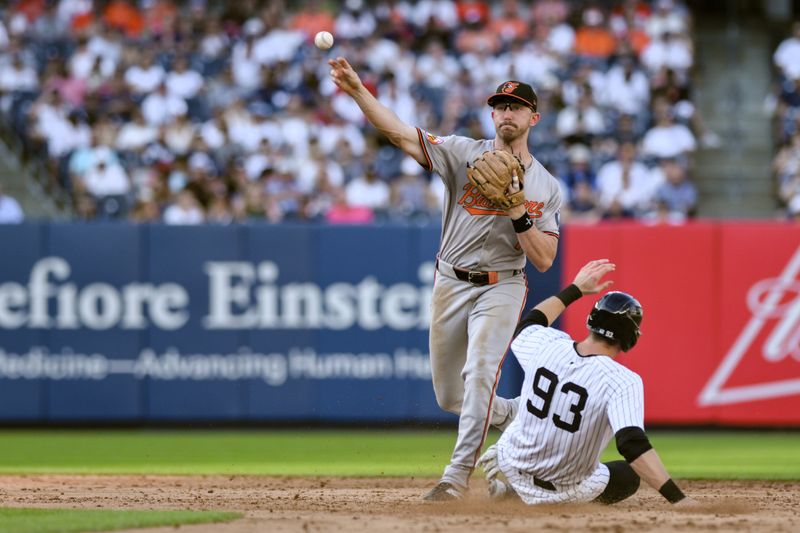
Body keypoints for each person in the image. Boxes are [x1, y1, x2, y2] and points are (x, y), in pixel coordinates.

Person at [328, 57, 562, 501]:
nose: (507, 113)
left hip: (502, 283)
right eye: (500, 106)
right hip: (450, 281)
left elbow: (546, 259)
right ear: (492, 114)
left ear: (534, 117)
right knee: (449, 396)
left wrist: (516, 211)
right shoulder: (461, 152)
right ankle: (517, 415)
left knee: (479, 375)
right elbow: (399, 133)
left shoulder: (546, 186)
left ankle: (454, 479)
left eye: (516, 107)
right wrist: (358, 91)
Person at [478, 259, 696, 507]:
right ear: (630, 336)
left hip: (511, 462)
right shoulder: (622, 380)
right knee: (628, 477)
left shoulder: (547, 343)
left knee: (526, 407)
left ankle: (510, 485)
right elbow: (632, 444)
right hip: (562, 491)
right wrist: (678, 499)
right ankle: (523, 497)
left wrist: (576, 289)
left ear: (592, 320)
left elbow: (531, 323)